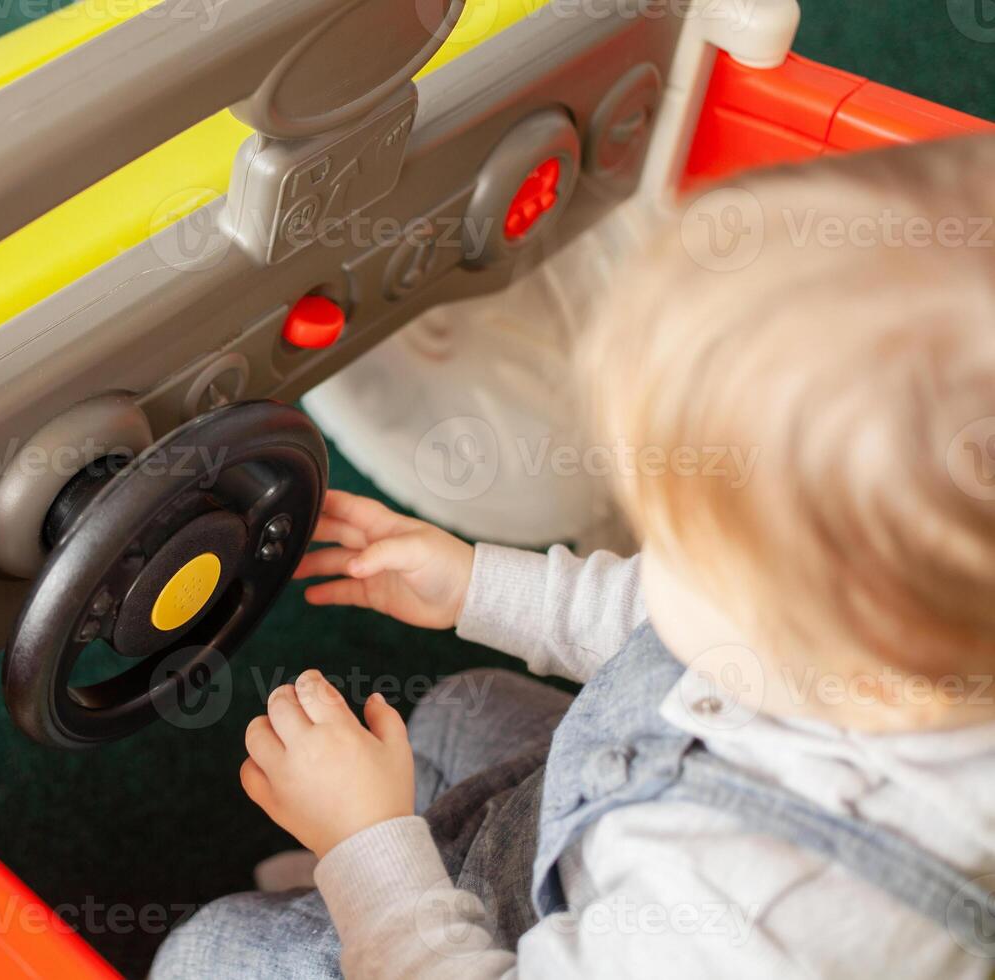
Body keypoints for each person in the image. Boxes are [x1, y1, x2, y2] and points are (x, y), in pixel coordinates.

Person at [152, 134, 995, 978]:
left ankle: (372, 892)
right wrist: (474, 585)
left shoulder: (756, 927)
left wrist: (367, 850)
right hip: (598, 820)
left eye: (676, 550)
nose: (649, 563)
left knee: (210, 953)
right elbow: (654, 623)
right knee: (463, 707)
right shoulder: (885, 643)